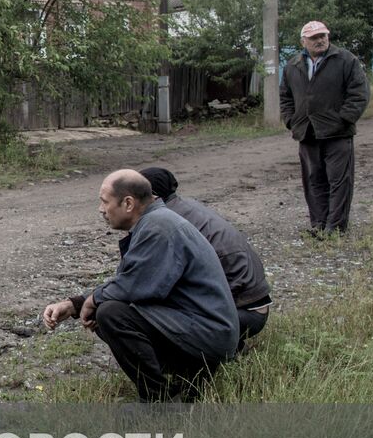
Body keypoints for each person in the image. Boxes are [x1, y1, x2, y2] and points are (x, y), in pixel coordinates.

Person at [41, 170, 238, 402]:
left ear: (128, 203)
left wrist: (92, 301)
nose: (100, 209)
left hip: (210, 335)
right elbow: (128, 281)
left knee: (112, 313)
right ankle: (186, 379)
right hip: (202, 328)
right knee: (109, 307)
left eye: (105, 202)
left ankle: (159, 400)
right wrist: (75, 304)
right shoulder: (155, 221)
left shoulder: (159, 227)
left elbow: (133, 287)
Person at [139, 167, 272, 348]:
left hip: (243, 314)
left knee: (139, 311)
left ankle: (210, 354)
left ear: (152, 196)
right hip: (253, 308)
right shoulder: (185, 206)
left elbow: (151, 282)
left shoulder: (167, 222)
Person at [279, 20, 371, 235]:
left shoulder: (346, 60)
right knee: (314, 181)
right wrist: (291, 120)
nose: (319, 40)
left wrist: (344, 119)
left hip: (337, 133)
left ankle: (336, 228)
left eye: (323, 36)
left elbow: (359, 93)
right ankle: (319, 225)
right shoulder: (293, 65)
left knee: (339, 182)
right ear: (303, 41)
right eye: (313, 38)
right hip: (307, 132)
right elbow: (285, 97)